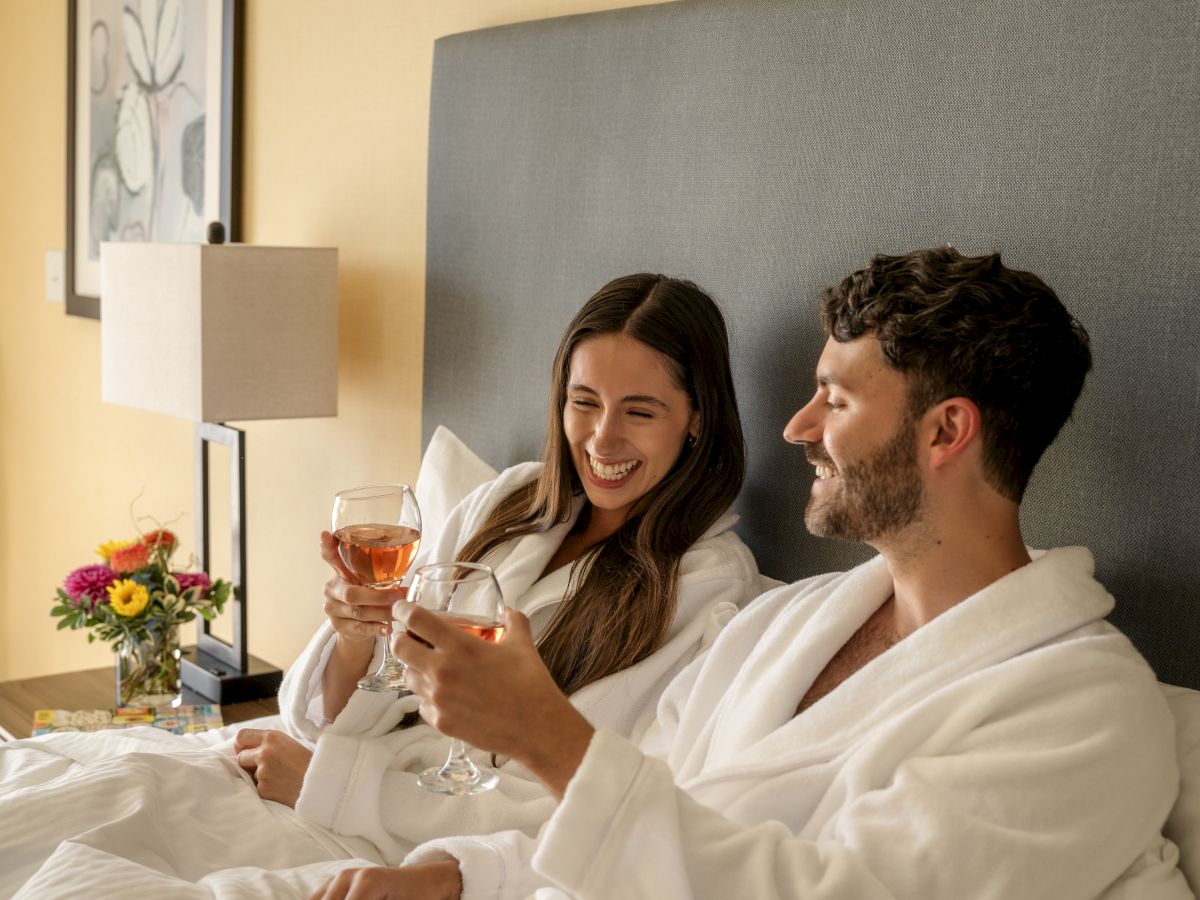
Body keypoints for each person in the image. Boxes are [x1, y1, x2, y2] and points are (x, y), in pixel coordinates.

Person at [316, 247, 1190, 899]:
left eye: (836, 399)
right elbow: (656, 806)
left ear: (945, 433)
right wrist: (464, 874)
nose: (796, 427)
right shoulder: (786, 625)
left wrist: (546, 736)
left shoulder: (1083, 709)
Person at [232, 273, 763, 860]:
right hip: (329, 796)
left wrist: (332, 787)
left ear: (697, 418)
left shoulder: (700, 583)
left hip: (417, 845)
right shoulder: (512, 499)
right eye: (583, 402)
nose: (601, 440)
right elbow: (341, 717)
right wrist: (357, 636)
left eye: (639, 412)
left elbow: (568, 803)